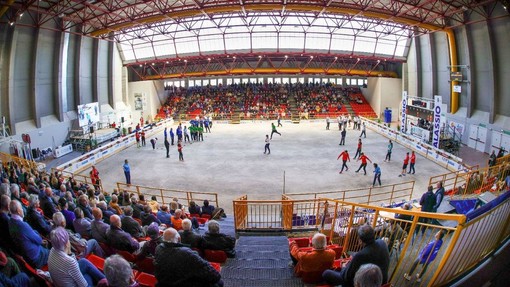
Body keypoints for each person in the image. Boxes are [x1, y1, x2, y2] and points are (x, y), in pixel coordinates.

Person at [322, 225, 389, 287]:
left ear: (360, 241)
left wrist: (344, 267)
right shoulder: (382, 243)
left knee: (326, 273)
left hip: (364, 283)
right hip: (381, 281)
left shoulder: (360, 255)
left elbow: (346, 276)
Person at [155, 228, 223, 287]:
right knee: (219, 283)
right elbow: (213, 275)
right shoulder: (186, 253)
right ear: (179, 238)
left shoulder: (158, 248)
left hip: (165, 282)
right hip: (181, 283)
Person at [8, 200, 49, 269]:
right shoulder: (22, 225)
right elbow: (39, 240)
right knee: (53, 253)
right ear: (18, 210)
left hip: (27, 255)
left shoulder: (10, 221)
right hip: (37, 257)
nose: (22, 209)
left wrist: (34, 232)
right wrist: (35, 233)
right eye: (21, 207)